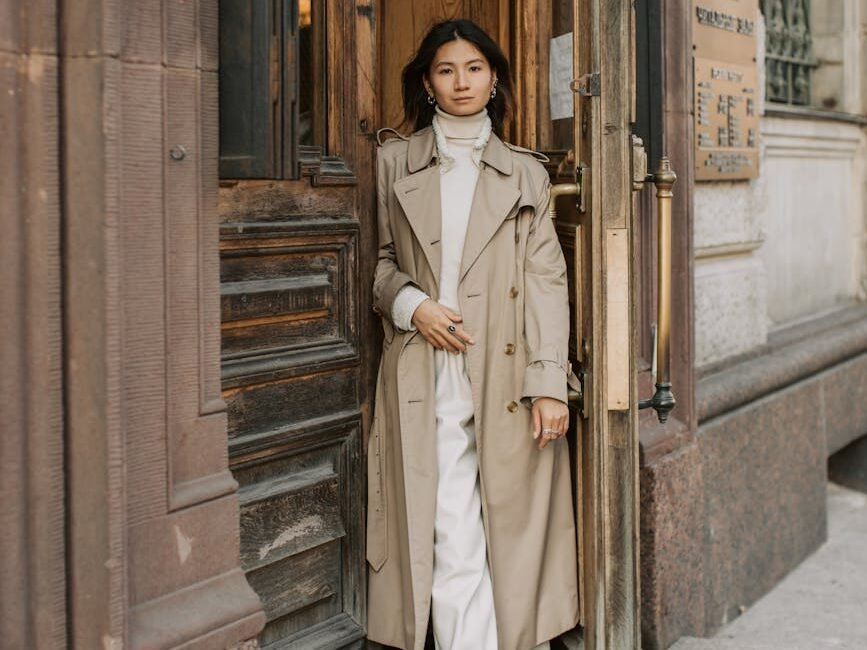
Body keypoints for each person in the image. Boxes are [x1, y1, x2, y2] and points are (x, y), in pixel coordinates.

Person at [367, 19, 579, 650]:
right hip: (427, 366)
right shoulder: (394, 161)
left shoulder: (526, 175)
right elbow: (378, 264)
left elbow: (547, 280)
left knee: (505, 526)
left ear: (494, 79)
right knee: (451, 520)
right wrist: (412, 306)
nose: (462, 82)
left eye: (475, 68)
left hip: (506, 369)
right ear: (428, 83)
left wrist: (549, 384)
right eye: (446, 70)